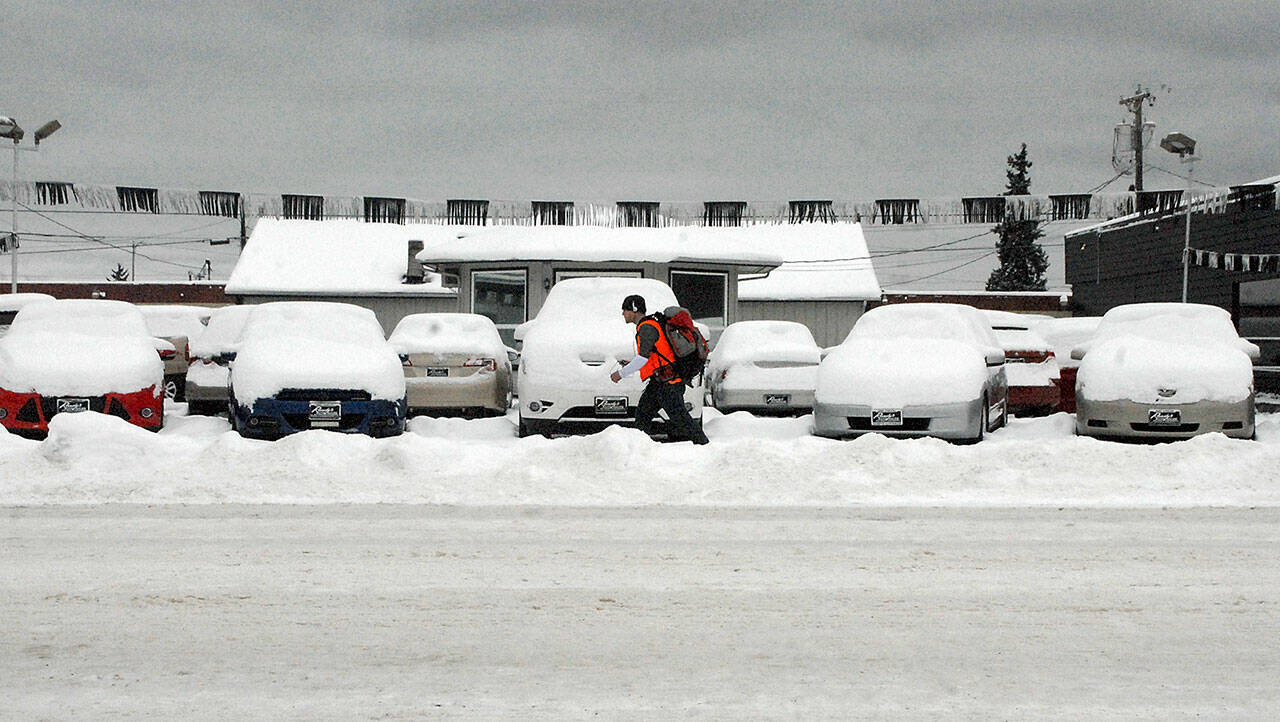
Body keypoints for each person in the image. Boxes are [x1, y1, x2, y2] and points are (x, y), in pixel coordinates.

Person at [609, 294, 709, 445]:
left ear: (635, 310)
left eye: (625, 309)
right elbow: (655, 355)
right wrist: (631, 363)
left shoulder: (647, 328)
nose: (623, 313)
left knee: (680, 419)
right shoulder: (651, 325)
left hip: (668, 384)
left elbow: (643, 358)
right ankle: (637, 449)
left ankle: (704, 445)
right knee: (642, 416)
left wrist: (620, 374)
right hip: (659, 383)